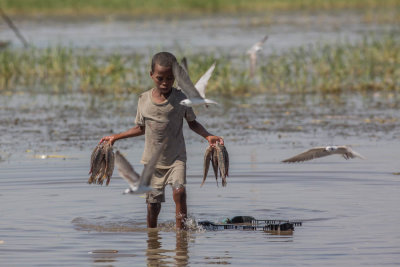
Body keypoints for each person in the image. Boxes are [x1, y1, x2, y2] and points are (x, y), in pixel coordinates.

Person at [100, 52, 223, 230]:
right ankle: (152, 236)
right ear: (151, 75)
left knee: (179, 192)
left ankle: (181, 237)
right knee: (153, 205)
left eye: (170, 78)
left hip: (176, 159)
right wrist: (115, 137)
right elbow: (140, 128)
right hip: (153, 162)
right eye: (160, 78)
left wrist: (208, 136)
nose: (165, 82)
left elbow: (192, 123)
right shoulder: (143, 100)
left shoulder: (182, 99)